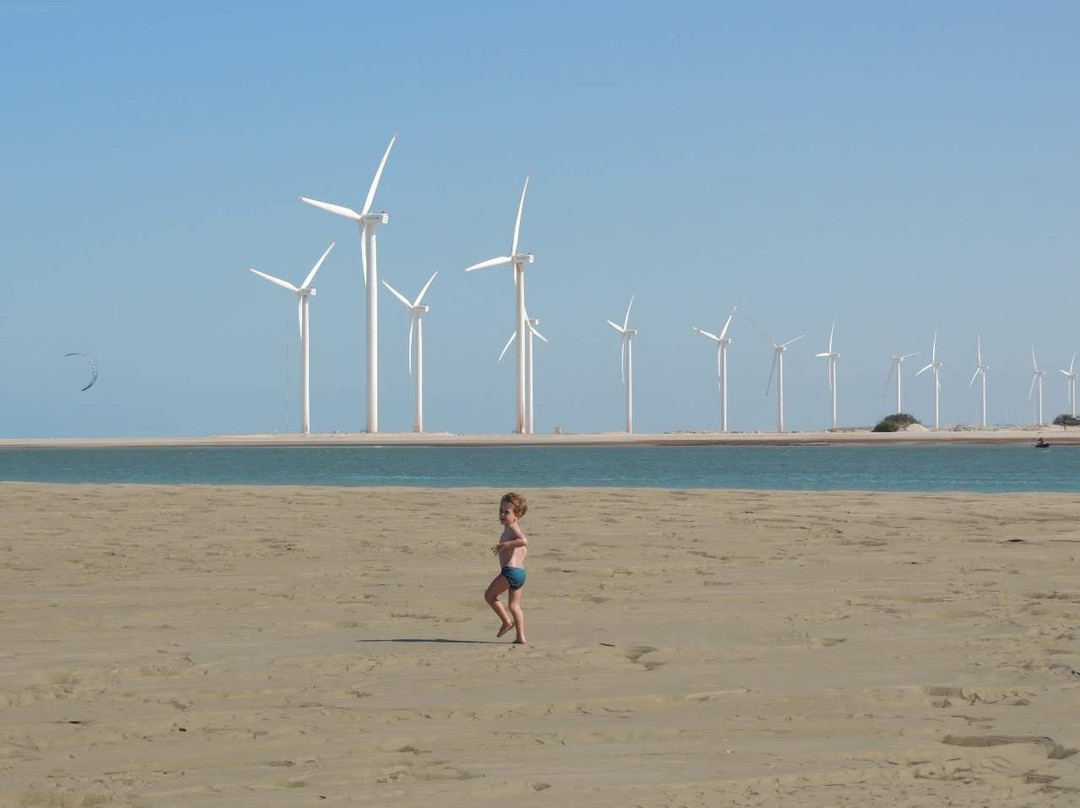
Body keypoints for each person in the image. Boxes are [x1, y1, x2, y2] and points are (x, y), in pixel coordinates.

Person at [484, 492, 529, 644]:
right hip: (520, 574)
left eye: (507, 512)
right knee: (514, 606)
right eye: (500, 511)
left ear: (517, 515)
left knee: (489, 596)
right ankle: (520, 637)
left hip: (510, 572)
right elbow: (522, 551)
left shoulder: (511, 529)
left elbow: (523, 541)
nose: (502, 514)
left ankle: (507, 622)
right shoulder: (509, 529)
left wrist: (505, 545)